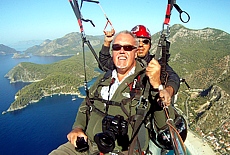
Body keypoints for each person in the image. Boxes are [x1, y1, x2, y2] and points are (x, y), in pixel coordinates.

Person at [49, 30, 164, 155]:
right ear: (112, 52)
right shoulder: (104, 78)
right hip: (87, 144)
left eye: (128, 47)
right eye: (116, 47)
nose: (121, 51)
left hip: (123, 151)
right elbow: (86, 104)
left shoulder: (146, 81)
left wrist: (157, 86)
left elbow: (163, 123)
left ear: (136, 52)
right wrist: (78, 128)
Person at [98, 25, 181, 154]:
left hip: (147, 118)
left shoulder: (155, 64)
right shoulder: (125, 62)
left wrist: (168, 90)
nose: (141, 45)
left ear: (150, 44)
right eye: (137, 41)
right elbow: (104, 63)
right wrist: (107, 42)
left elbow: (174, 78)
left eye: (145, 41)